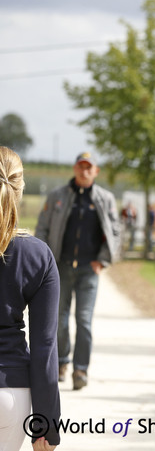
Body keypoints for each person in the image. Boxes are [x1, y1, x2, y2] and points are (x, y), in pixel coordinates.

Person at [35, 152, 120, 391]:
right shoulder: (57, 197)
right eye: (81, 167)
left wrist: (103, 260)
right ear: (74, 168)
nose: (84, 171)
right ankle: (62, 362)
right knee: (59, 319)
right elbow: (42, 228)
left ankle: (80, 370)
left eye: (89, 168)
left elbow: (115, 232)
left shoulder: (105, 199)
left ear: (96, 171)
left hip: (88, 270)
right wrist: (44, 260)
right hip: (59, 268)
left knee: (84, 321)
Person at [0, 147, 61, 450]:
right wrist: (47, 425)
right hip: (10, 395)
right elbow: (45, 346)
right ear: (20, 189)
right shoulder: (37, 255)